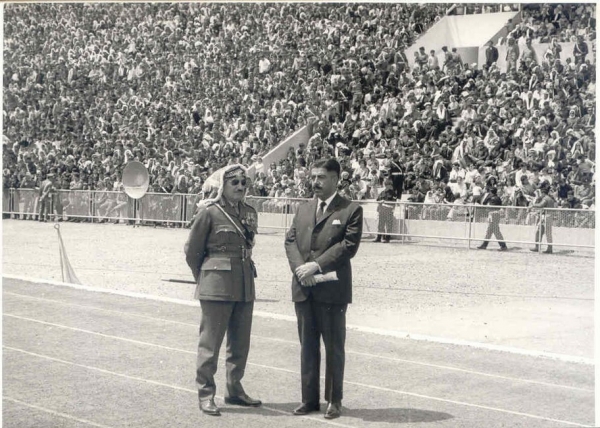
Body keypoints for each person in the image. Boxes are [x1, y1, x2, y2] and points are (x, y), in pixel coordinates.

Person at [284, 158, 363, 420]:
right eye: (313, 177)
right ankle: (309, 399)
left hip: (331, 291)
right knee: (307, 346)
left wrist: (315, 266)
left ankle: (334, 401)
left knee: (333, 348)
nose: (315, 182)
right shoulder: (304, 208)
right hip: (304, 287)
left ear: (335, 179)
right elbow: (291, 240)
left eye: (321, 177)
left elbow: (347, 246)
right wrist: (301, 269)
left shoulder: (351, 210)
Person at [184, 164, 261, 417]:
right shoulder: (209, 212)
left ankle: (234, 389)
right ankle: (206, 393)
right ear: (222, 186)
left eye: (243, 182)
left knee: (240, 342)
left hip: (244, 282)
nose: (240, 187)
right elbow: (192, 251)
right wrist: (205, 278)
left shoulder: (249, 212)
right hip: (217, 284)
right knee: (211, 343)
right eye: (234, 182)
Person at [528, 185, 555, 254]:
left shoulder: (546, 198)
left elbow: (541, 205)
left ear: (543, 193)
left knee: (547, 233)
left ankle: (549, 248)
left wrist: (532, 205)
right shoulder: (549, 198)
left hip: (547, 216)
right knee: (539, 231)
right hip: (546, 217)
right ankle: (538, 246)